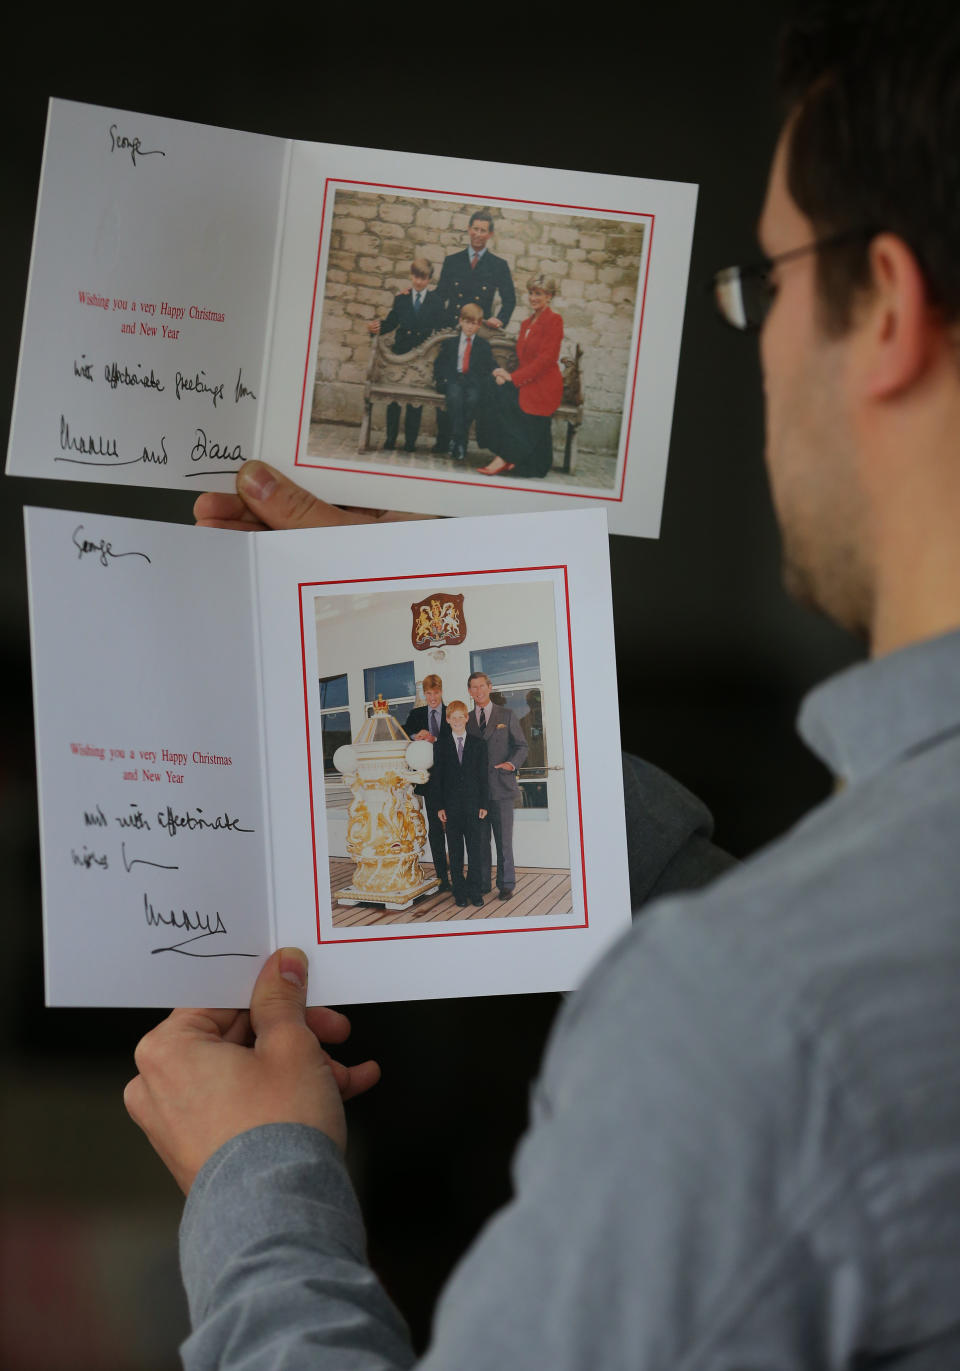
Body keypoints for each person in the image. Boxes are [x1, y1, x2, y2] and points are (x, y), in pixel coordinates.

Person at [127, 2, 960, 1365]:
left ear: (887, 311)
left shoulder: (747, 1022)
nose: (756, 340)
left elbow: (790, 1005)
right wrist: (415, 628)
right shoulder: (803, 980)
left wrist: (259, 1188)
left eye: (767, 283)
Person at [434, 209, 516, 454]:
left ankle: (458, 440)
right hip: (452, 329)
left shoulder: (498, 265)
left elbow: (510, 299)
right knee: (450, 380)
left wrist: (499, 320)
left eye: (484, 230)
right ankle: (443, 438)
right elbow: (440, 297)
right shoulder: (452, 261)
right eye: (475, 229)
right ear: (469, 230)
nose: (478, 234)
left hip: (479, 332)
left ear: (490, 234)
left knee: (471, 389)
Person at [477, 276, 564, 479]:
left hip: (543, 385)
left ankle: (505, 456)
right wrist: (502, 374)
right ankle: (505, 452)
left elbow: (546, 360)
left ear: (549, 297)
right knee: (490, 387)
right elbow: (522, 359)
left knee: (504, 398)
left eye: (538, 294)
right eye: (531, 293)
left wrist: (513, 378)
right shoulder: (526, 323)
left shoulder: (554, 321)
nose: (533, 298)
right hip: (526, 380)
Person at [367, 258, 445, 452]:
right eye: (416, 277)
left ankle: (410, 442)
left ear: (430, 279)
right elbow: (392, 322)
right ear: (411, 276)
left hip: (422, 357)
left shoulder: (436, 301)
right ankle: (391, 438)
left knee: (415, 402)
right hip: (401, 354)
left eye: (424, 278)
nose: (419, 282)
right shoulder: (401, 298)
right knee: (394, 399)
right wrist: (376, 328)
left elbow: (442, 328)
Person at [464, 670, 527, 900]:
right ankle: (483, 884)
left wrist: (512, 764)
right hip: (477, 794)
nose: (478, 691)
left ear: (490, 687)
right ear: (469, 692)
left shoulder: (507, 715)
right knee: (480, 842)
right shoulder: (466, 719)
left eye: (482, 686)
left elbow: (522, 746)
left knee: (503, 842)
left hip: (501, 790)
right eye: (473, 687)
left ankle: (506, 885)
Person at [433, 700, 489, 908]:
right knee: (455, 852)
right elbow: (437, 778)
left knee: (475, 852)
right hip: (451, 809)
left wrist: (484, 803)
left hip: (474, 807)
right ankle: (459, 892)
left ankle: (475, 891)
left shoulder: (478, 744)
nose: (457, 721)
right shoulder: (440, 746)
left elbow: (483, 776)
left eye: (460, 717)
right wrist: (439, 806)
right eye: (452, 717)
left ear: (467, 718)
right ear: (447, 720)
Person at [402, 674, 451, 892]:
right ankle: (442, 878)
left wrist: (436, 739)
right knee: (436, 830)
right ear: (424, 694)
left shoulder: (453, 713)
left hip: (452, 780)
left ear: (441, 691)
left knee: (455, 828)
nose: (432, 697)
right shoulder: (416, 714)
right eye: (428, 693)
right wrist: (416, 736)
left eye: (436, 692)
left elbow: (457, 741)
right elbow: (402, 734)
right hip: (430, 782)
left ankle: (457, 872)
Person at [432, 303, 495, 461]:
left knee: (473, 399)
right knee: (454, 399)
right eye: (467, 322)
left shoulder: (483, 346)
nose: (469, 327)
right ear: (460, 321)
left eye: (474, 324)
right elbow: (439, 364)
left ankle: (457, 439)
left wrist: (498, 372)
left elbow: (490, 365)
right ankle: (460, 441)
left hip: (472, 381)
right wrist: (441, 380)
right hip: (454, 379)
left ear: (479, 325)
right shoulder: (450, 343)